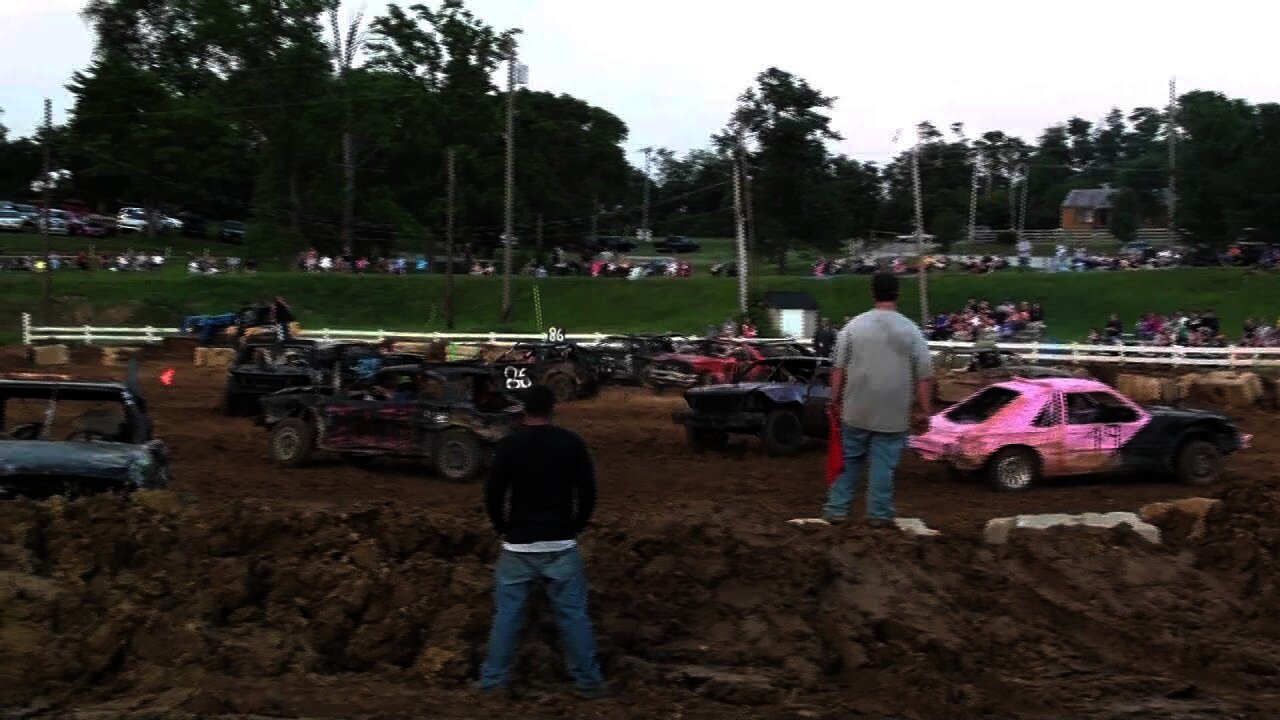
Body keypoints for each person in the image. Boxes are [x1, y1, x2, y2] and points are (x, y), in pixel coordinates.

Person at [479, 385, 606, 699]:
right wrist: (574, 527)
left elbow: (493, 494)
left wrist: (503, 529)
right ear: (553, 409)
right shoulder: (571, 443)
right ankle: (588, 682)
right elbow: (588, 494)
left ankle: (493, 682)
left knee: (507, 615)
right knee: (573, 615)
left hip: (519, 543)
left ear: (523, 411)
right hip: (560, 541)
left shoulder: (509, 446)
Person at [823, 273, 934, 527]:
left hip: (856, 408)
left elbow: (838, 369)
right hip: (893, 415)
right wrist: (925, 411)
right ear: (898, 293)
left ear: (872, 293)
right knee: (883, 465)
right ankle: (879, 514)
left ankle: (837, 509)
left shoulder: (852, 327)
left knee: (848, 461)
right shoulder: (912, 331)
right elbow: (925, 376)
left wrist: (833, 401)